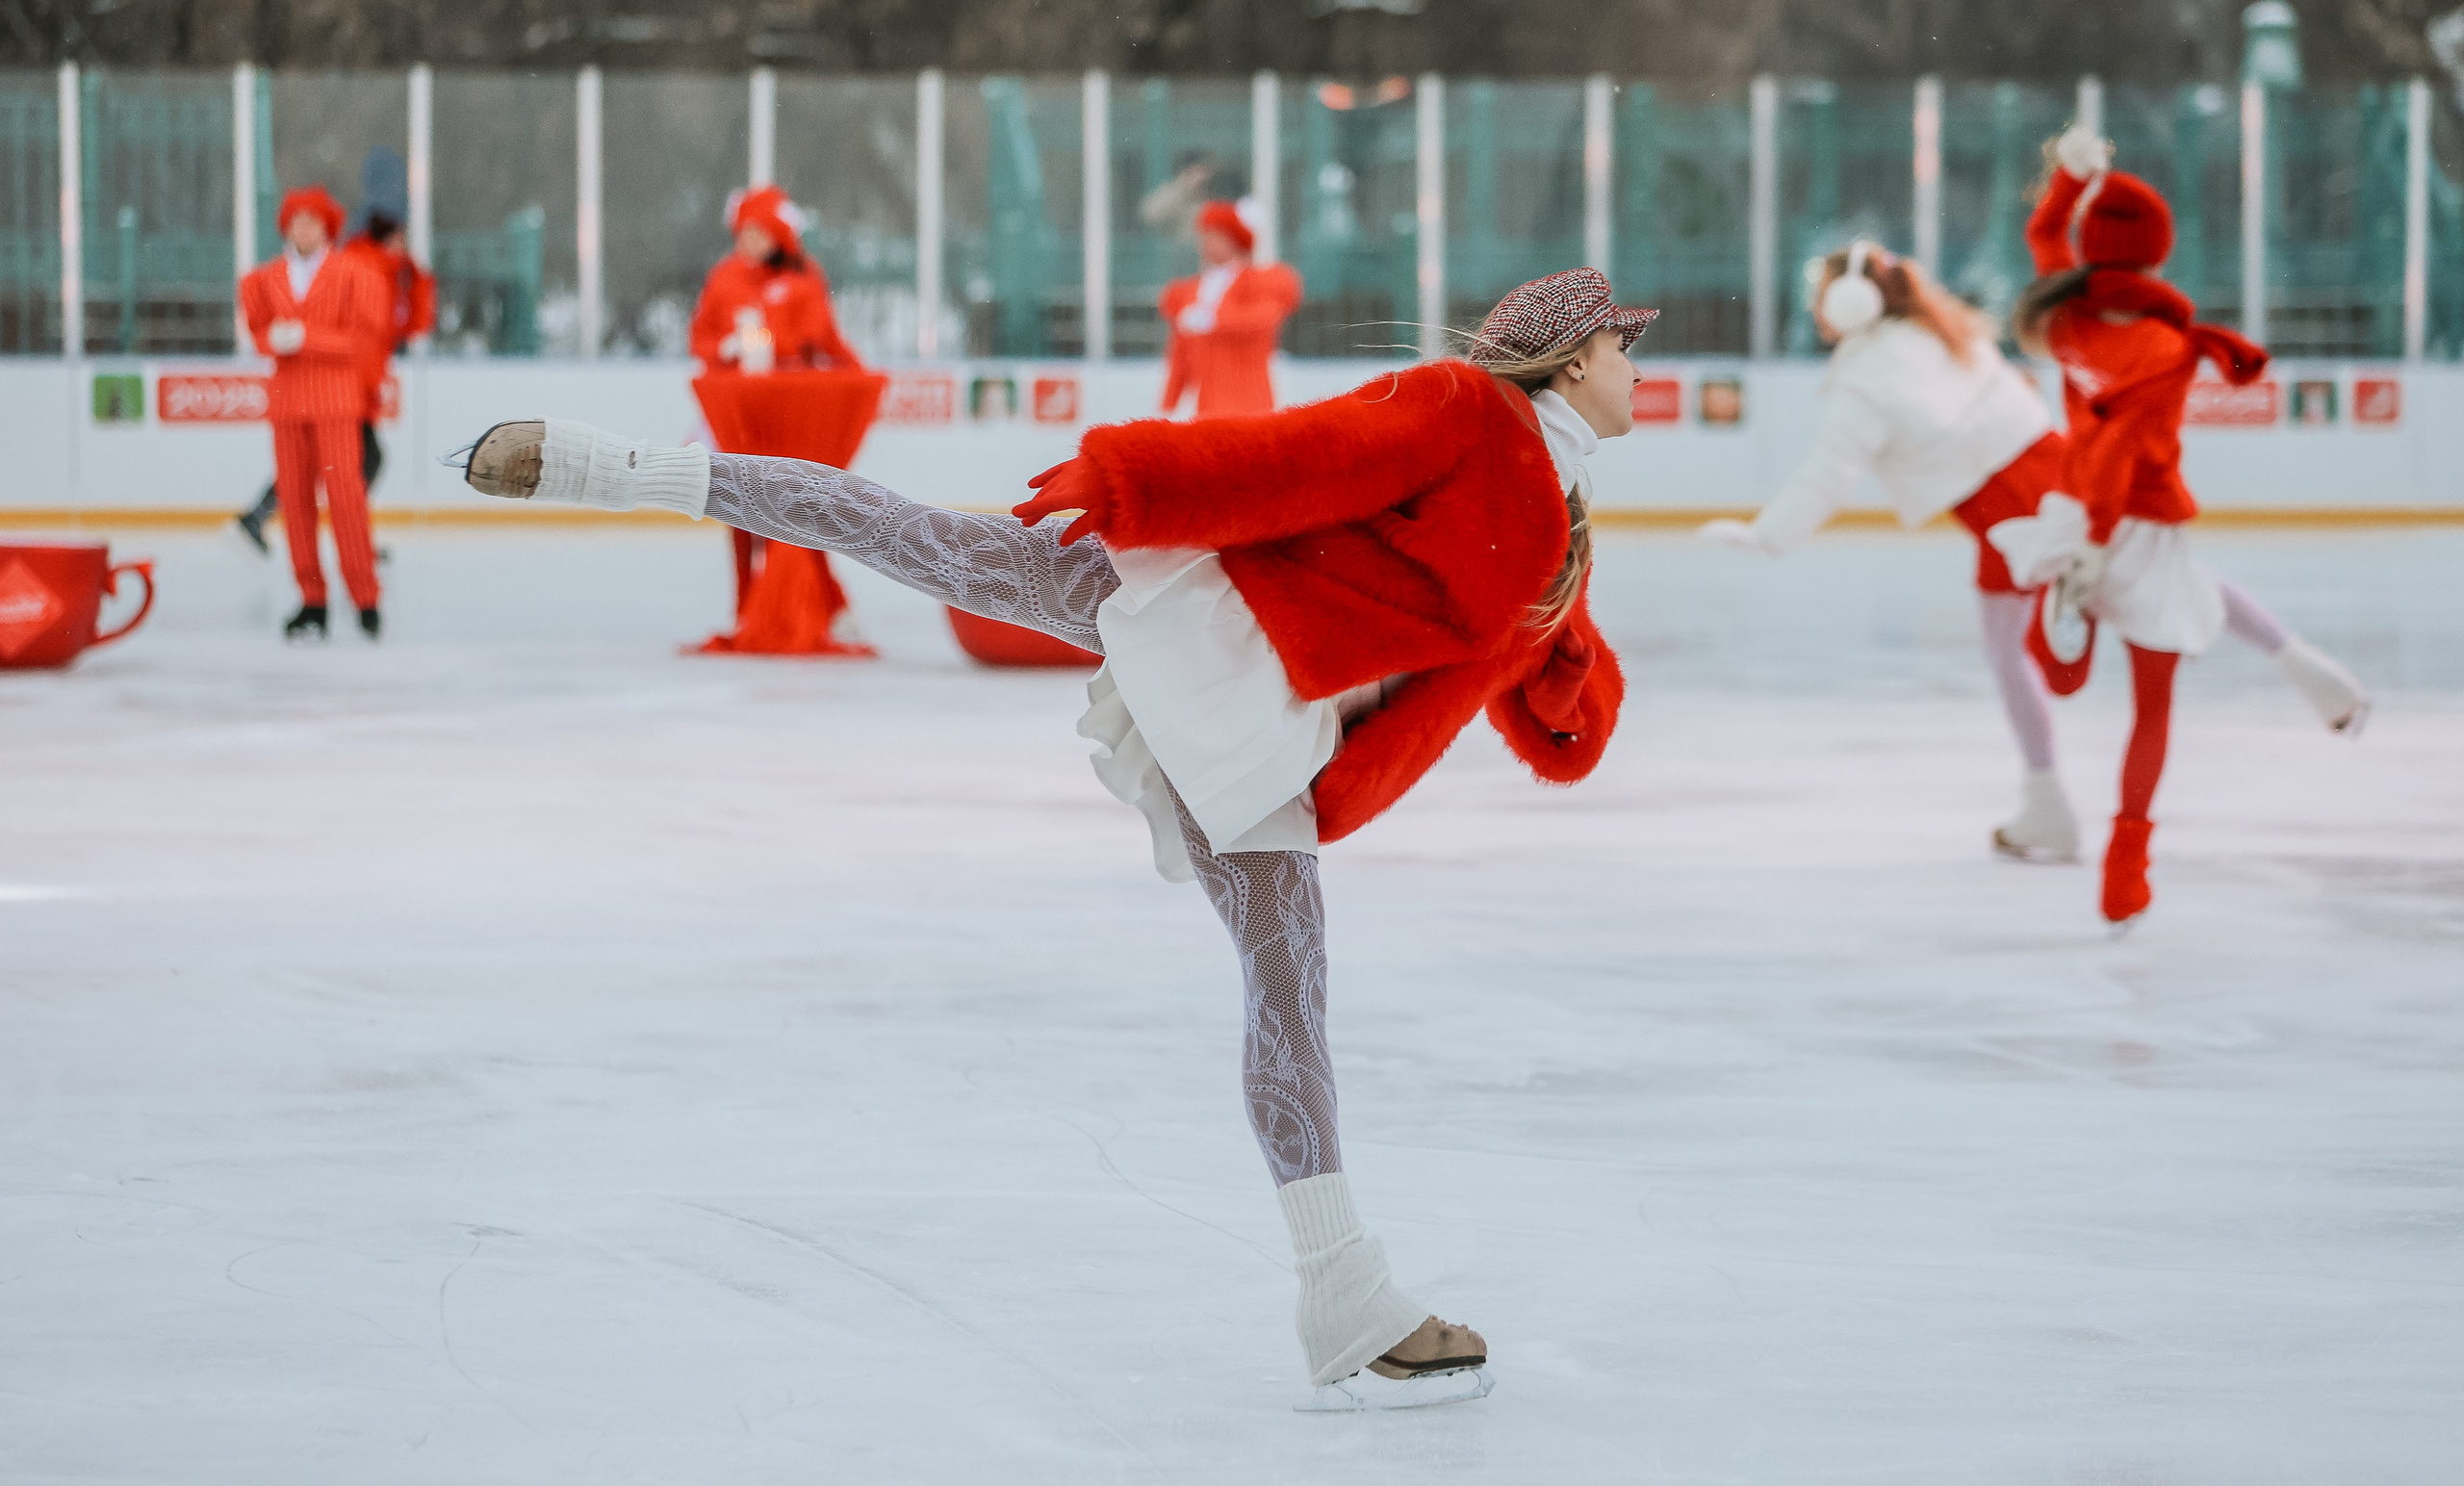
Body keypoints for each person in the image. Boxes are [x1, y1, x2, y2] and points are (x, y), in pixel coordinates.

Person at [448, 267, 1654, 1410]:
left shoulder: (1561, 516)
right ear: (1577, 352)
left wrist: (1568, 681)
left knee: (1288, 983)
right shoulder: (1458, 408)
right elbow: (1300, 455)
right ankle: (610, 466)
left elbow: (1526, 697)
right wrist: (1133, 480)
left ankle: (1343, 1296)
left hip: (1269, 728)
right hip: (1203, 610)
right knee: (915, 538)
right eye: (1624, 345)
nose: (1636, 367)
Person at [1988, 126, 2369, 927]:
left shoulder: (2065, 315)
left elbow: (2042, 233)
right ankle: (2128, 861)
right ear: (2158, 254)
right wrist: (2100, 539)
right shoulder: (2166, 345)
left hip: (2077, 517)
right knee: (2152, 706)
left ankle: (2068, 624)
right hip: (2141, 529)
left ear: (2096, 250)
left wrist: (2068, 178)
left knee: (2064, 661)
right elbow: (2129, 450)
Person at [1697, 241, 2084, 860]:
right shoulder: (1938, 327)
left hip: (2017, 516)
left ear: (1852, 303)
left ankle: (2049, 804)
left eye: (1820, 296)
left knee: (2037, 651)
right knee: (2147, 600)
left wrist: (1768, 535)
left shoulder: (1870, 377)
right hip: (2053, 481)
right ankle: (2046, 805)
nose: (1815, 309)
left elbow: (1828, 475)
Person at [234, 150, 431, 554]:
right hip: (343, 390)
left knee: (343, 463)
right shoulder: (362, 267)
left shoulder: (392, 273)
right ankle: (347, 532)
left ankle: (265, 515)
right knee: (357, 462)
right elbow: (366, 332)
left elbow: (410, 325)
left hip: (357, 388)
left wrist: (414, 273)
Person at [689, 186, 868, 616]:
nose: (747, 241)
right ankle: (747, 604)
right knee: (737, 506)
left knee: (796, 510)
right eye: (742, 231)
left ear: (777, 234)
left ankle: (821, 602)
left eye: (757, 232)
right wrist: (727, 349)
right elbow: (701, 339)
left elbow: (822, 341)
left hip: (788, 415)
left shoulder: (801, 278)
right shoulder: (725, 277)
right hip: (741, 414)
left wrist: (853, 378)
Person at [236, 185, 390, 640]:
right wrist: (273, 341)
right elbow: (259, 330)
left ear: (328, 228)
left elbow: (365, 338)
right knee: (296, 505)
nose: (303, 229)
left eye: (313, 221)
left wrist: (306, 339)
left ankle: (365, 597)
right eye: (296, 221)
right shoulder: (264, 279)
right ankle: (312, 599)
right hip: (287, 405)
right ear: (286, 227)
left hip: (337, 404)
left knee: (347, 500)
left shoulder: (353, 274)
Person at [1159, 200, 1302, 418]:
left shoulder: (1259, 282)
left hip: (1251, 402)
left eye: (1215, 235)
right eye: (1204, 235)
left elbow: (1264, 319)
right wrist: (1168, 406)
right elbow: (1180, 355)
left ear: (1235, 240)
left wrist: (1213, 320)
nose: (1205, 242)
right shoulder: (1191, 290)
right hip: (1207, 405)